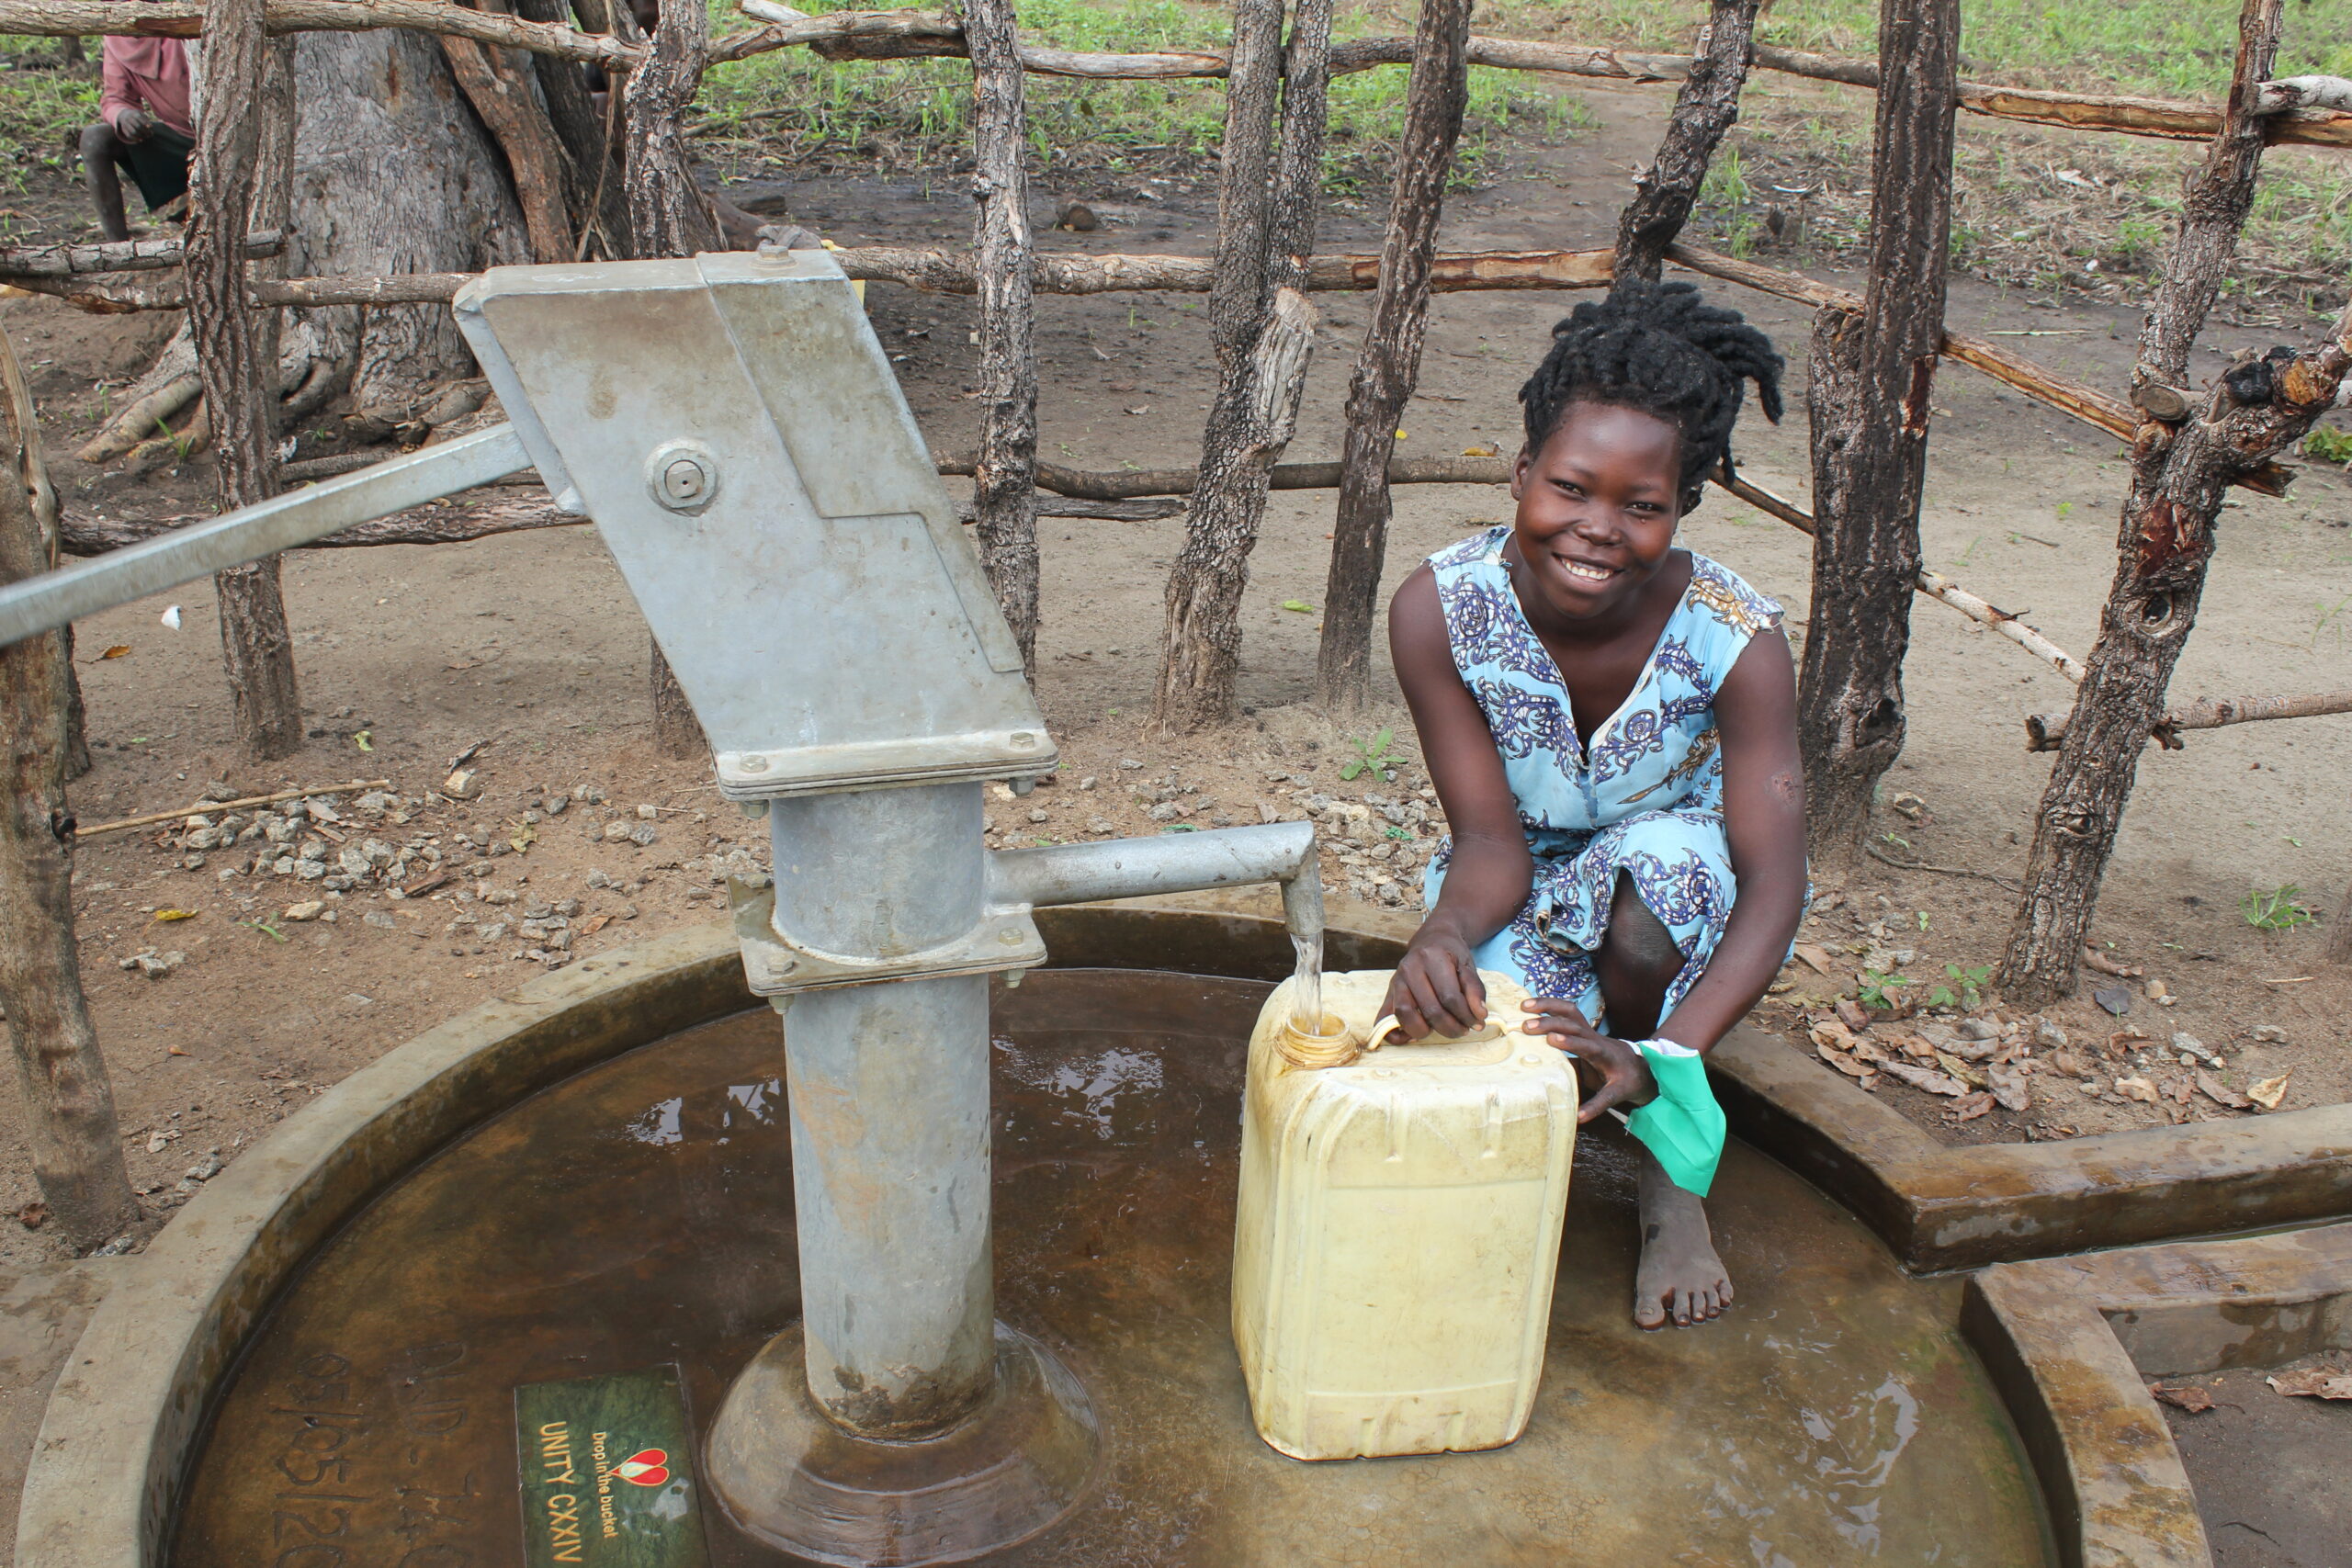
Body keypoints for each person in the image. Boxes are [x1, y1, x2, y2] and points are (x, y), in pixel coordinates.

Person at [1379, 280, 1808, 1332]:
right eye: (1571, 488)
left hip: (1678, 881)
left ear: (1683, 509)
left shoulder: (1734, 638)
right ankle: (1571, 1098)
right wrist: (1440, 935)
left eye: (1641, 505)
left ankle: (1672, 1178)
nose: (1597, 528)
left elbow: (1773, 880)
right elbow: (1488, 841)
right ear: (1524, 473)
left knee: (1654, 881)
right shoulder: (1441, 611)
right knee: (1503, 1059)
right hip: (1518, 876)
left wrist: (1661, 1055)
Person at [80, 34, 195, 243]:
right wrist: (123, 115)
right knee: (94, 138)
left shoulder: (181, 20)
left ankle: (191, 204)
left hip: (235, 133)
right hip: (183, 138)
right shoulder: (117, 38)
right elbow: (115, 98)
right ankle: (119, 251)